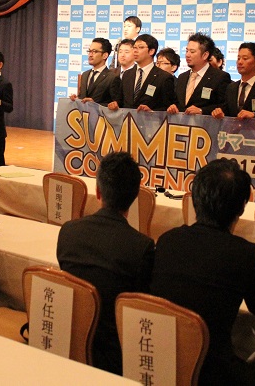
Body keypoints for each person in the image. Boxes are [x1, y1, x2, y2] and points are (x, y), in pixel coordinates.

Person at [151, 159, 255, 385]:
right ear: (242, 206)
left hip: (164, 362)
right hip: (213, 374)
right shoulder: (245, 254)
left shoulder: (168, 241)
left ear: (195, 199)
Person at [57, 152, 155, 375]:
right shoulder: (141, 247)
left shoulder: (68, 232)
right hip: (116, 358)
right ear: (135, 196)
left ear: (98, 191)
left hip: (69, 343)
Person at [108, 34, 176, 112]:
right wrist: (115, 104)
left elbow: (168, 108)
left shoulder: (163, 77)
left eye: (140, 47)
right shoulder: (127, 74)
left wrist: (152, 112)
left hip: (151, 119)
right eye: (134, 47)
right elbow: (120, 101)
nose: (135, 51)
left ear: (151, 51)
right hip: (128, 119)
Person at [167, 33, 229, 115]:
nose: (187, 55)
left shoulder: (220, 77)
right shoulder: (182, 77)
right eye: (186, 51)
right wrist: (173, 107)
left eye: (192, 52)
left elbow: (224, 107)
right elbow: (177, 102)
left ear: (205, 55)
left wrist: (201, 111)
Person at [70, 38, 117, 105]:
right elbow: (82, 98)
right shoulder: (85, 75)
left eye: (94, 51)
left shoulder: (112, 77)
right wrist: (76, 99)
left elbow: (116, 105)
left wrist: (94, 104)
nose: (90, 55)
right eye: (89, 51)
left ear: (105, 55)